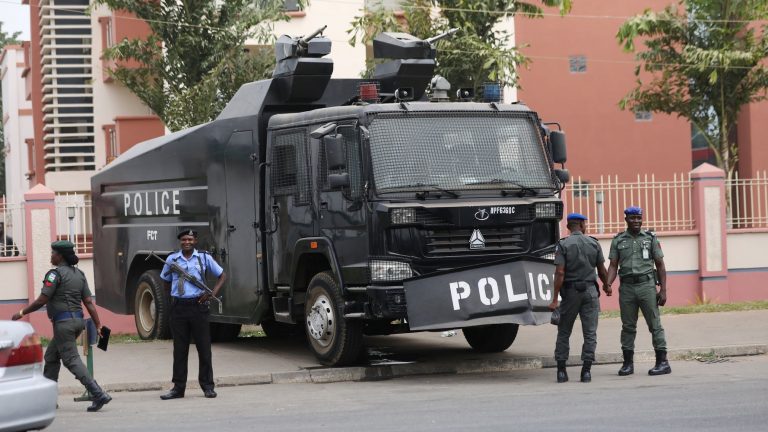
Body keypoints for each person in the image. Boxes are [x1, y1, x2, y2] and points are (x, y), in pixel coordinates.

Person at [10, 240, 112, 412]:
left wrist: (21, 313)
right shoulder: (79, 274)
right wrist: (98, 324)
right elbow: (88, 302)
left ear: (60, 256)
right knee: (51, 356)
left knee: (71, 359)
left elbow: (42, 300)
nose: (51, 256)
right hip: (77, 322)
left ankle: (98, 393)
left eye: (53, 253)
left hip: (63, 324)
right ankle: (48, 400)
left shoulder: (54, 275)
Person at [159, 229, 226, 400]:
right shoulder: (172, 259)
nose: (187, 242)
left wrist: (211, 294)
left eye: (190, 239)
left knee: (204, 349)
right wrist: (173, 299)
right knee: (179, 350)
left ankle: (208, 387)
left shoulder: (203, 257)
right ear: (180, 242)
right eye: (184, 239)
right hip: (179, 308)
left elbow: (222, 275)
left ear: (195, 241)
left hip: (198, 307)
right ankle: (178, 388)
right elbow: (165, 282)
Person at [605, 206, 671, 376]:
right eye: (632, 218)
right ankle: (628, 364)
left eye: (638, 218)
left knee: (655, 325)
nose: (636, 221)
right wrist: (608, 283)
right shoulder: (618, 240)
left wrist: (663, 290)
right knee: (628, 326)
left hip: (646, 286)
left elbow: (660, 265)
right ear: (626, 219)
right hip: (627, 288)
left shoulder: (650, 238)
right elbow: (613, 265)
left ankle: (663, 362)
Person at [548, 213, 611, 383]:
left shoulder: (563, 244)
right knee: (590, 333)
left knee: (564, 332)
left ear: (568, 227)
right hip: (590, 292)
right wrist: (607, 286)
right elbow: (602, 270)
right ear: (582, 225)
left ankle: (561, 372)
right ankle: (586, 372)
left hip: (570, 293)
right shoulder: (593, 243)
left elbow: (560, 273)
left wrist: (554, 299)